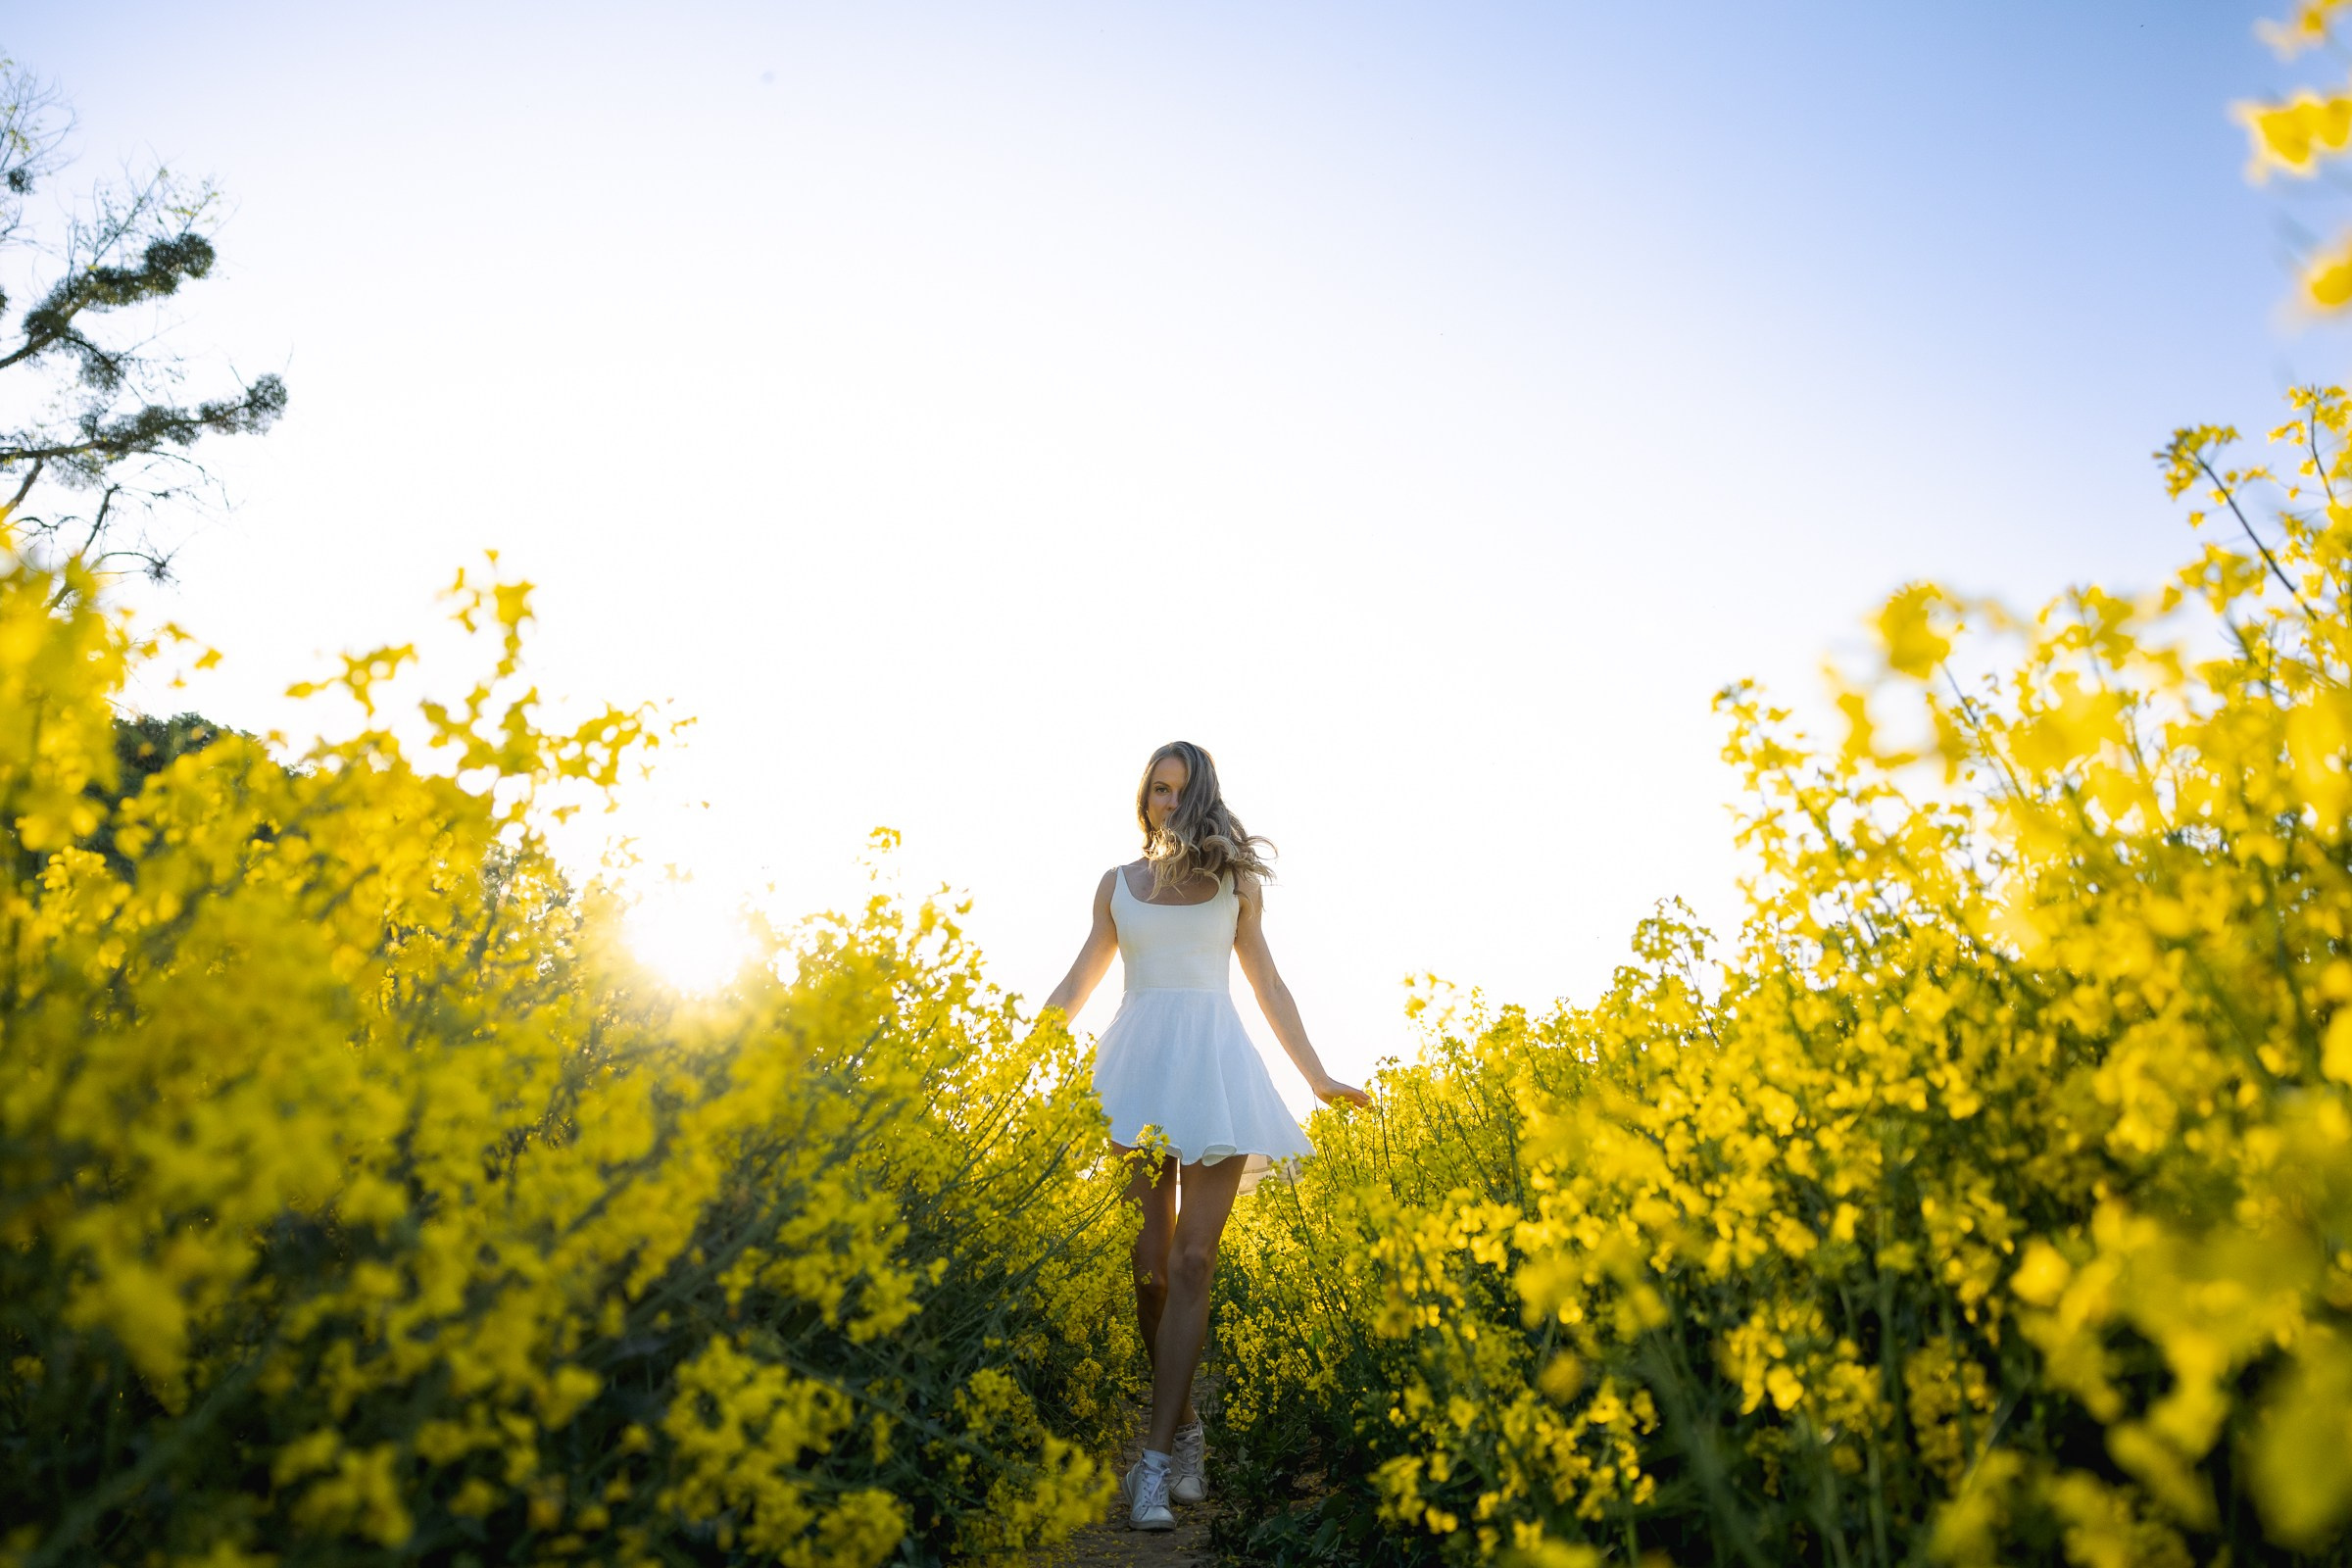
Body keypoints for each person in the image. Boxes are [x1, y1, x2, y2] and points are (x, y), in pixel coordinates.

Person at [1040, 740, 1371, 1532]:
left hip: (1215, 1069)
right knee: (1150, 1265)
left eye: (1180, 791)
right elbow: (1079, 977)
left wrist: (1318, 1077)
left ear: (1203, 797)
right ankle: (1186, 1425)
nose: (1166, 802)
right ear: (1143, 798)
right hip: (1136, 1075)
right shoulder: (1116, 887)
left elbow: (1270, 984)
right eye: (1157, 789)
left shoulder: (1235, 886)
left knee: (1194, 1259)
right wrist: (1020, 1054)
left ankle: (1153, 1467)